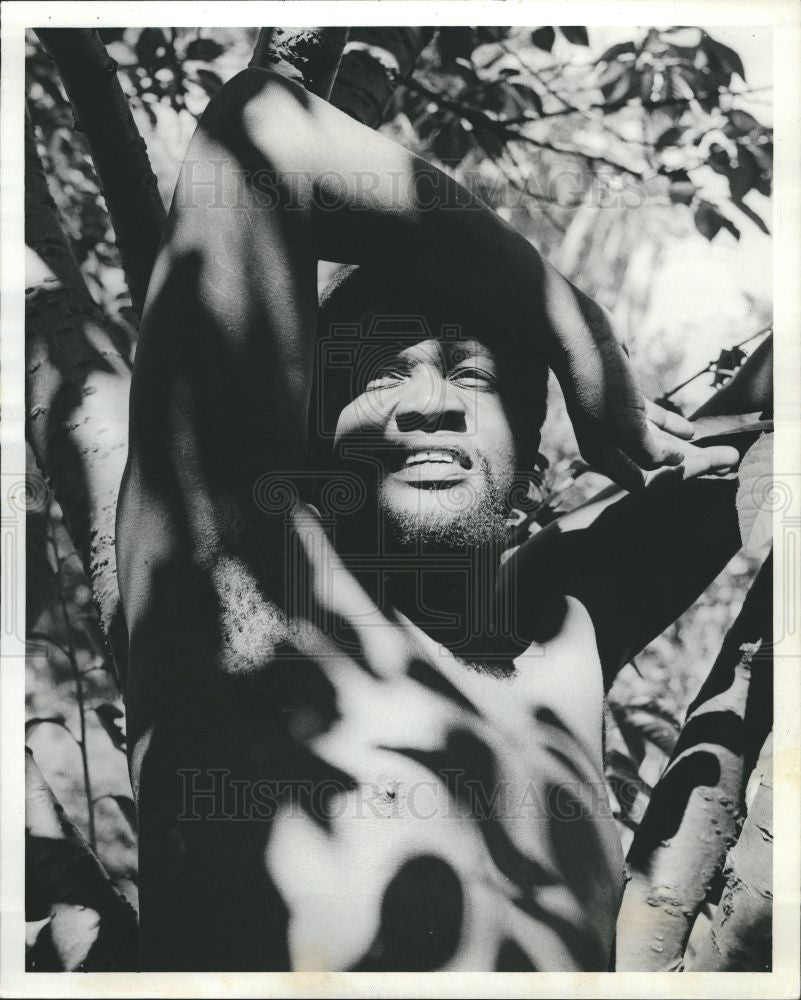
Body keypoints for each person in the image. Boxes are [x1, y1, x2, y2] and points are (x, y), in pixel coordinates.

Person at [117, 67, 766, 971]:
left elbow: (749, 434)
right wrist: (567, 316)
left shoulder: (563, 642)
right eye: (380, 373)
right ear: (306, 444)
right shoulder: (241, 586)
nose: (428, 404)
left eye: (474, 376)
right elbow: (256, 132)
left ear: (535, 464)